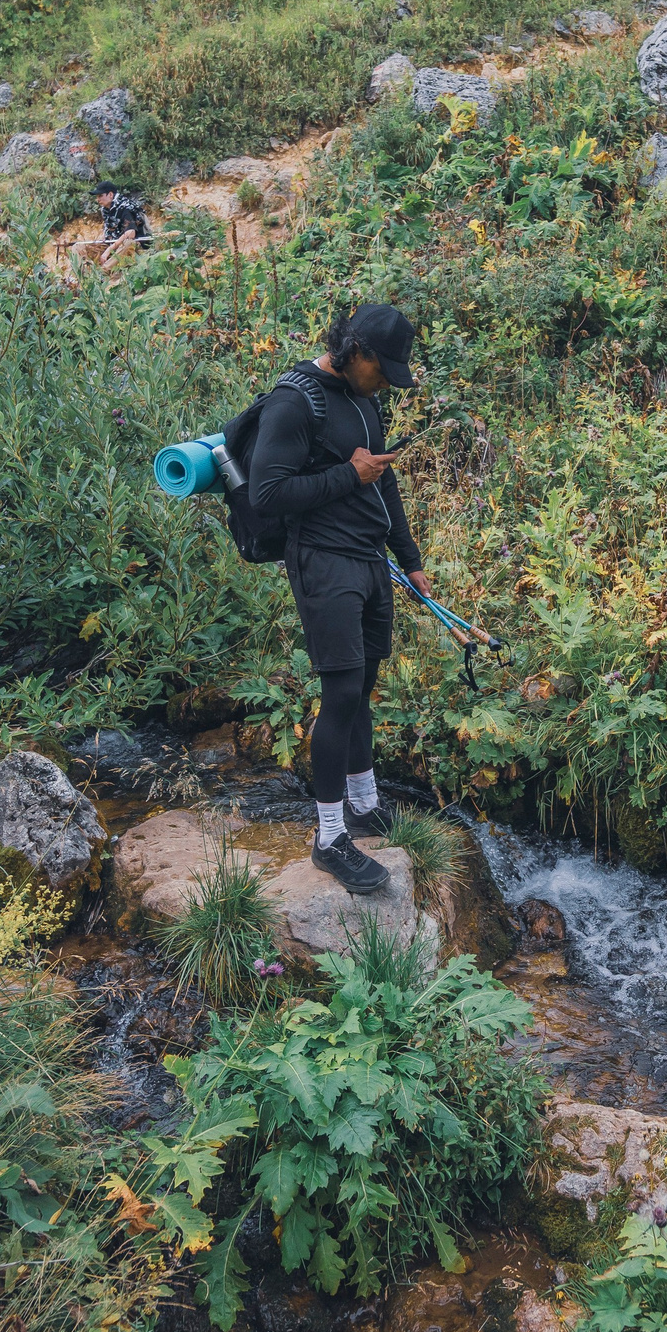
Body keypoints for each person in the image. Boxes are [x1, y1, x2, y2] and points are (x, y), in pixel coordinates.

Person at [246, 303, 433, 892]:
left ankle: (364, 802)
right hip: (323, 562)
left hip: (370, 559)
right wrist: (347, 477)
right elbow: (267, 491)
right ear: (357, 353)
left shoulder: (364, 398)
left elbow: (386, 476)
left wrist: (411, 558)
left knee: (362, 689)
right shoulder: (295, 402)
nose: (387, 384)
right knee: (341, 690)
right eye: (383, 371)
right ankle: (329, 837)